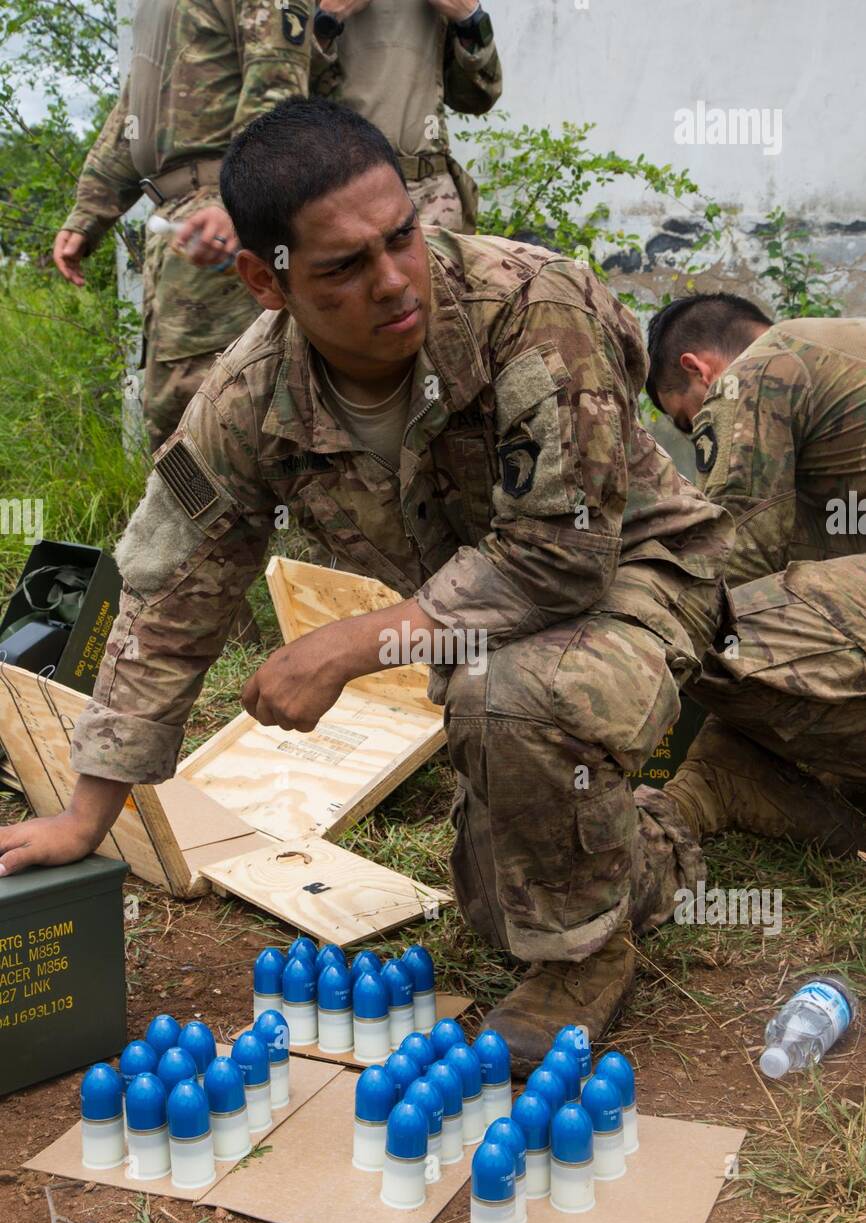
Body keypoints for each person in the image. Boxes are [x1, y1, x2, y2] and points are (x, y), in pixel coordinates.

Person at [1, 99, 733, 1074]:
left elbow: (562, 557)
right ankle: (664, 830)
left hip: (632, 573)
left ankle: (582, 964)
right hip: (475, 619)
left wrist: (349, 645)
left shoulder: (531, 309)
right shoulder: (242, 398)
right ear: (268, 280)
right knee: (496, 886)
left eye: (402, 239)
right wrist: (89, 808)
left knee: (514, 701)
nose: (395, 282)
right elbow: (168, 579)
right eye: (345, 267)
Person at [629, 295, 866, 935]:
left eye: (688, 420)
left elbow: (728, 558)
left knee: (675, 626)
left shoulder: (758, 369)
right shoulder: (834, 356)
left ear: (699, 370)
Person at [53, 0, 312, 452]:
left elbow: (277, 86)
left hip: (222, 219)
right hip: (177, 224)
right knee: (178, 420)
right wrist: (89, 211)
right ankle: (189, 524)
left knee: (230, 415)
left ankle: (265, 523)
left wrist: (240, 200)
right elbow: (135, 110)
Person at [310, 0, 500, 231]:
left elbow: (478, 97)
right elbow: (278, 90)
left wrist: (470, 20)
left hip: (431, 193)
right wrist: (327, 20)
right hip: (343, 187)